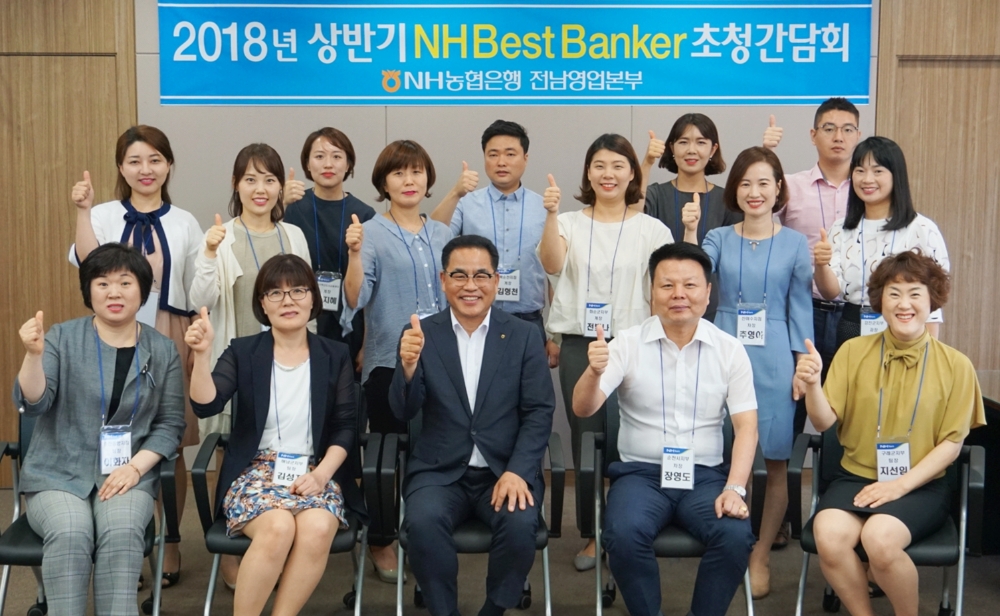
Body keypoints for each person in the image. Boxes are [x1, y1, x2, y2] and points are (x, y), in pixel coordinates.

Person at [794, 250, 985, 616]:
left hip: (920, 484)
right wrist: (814, 385)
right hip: (855, 476)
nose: (904, 304)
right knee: (828, 536)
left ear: (932, 300)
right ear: (880, 301)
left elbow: (952, 444)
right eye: (894, 294)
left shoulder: (956, 365)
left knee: (879, 540)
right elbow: (823, 422)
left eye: (915, 293)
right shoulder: (852, 352)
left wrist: (898, 486)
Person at [573, 241, 758, 616]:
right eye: (667, 285)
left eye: (690, 285)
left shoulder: (730, 349)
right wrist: (593, 372)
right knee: (623, 534)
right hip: (640, 476)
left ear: (708, 292)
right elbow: (583, 407)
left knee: (735, 535)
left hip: (705, 477)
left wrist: (735, 488)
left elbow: (747, 428)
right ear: (651, 291)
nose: (679, 295)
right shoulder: (626, 344)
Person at [186, 253, 364, 616]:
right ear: (262, 304)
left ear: (313, 299)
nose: (288, 301)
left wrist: (320, 476)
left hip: (315, 470)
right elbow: (206, 405)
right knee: (278, 527)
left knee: (318, 527)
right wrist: (202, 357)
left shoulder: (335, 354)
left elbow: (346, 428)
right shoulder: (243, 352)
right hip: (254, 471)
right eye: (276, 293)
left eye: (298, 290)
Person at [14, 243, 186, 615]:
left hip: (128, 473)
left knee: (122, 531)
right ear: (88, 290)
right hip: (57, 472)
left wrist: (135, 468)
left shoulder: (162, 349)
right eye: (102, 283)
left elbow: (170, 423)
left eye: (125, 282)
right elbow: (35, 403)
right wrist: (33, 356)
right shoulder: (61, 338)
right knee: (71, 530)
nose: (114, 293)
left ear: (142, 290)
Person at [389, 235, 555, 616]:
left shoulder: (524, 336)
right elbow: (402, 410)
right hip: (439, 472)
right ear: (442, 280)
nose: (470, 286)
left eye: (481, 275)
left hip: (503, 469)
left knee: (520, 524)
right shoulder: (421, 334)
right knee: (423, 523)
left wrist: (518, 470)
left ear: (496, 281)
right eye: (459, 275)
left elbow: (539, 411)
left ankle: (493, 609)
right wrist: (408, 369)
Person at [69, 125, 202, 587]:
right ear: (121, 168)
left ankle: (170, 542)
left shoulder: (184, 221)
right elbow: (89, 265)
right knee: (112, 435)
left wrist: (196, 343)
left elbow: (197, 285)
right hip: (110, 336)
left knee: (171, 441)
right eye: (135, 161)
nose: (146, 170)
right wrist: (83, 212)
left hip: (169, 332)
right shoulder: (103, 213)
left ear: (169, 165)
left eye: (155, 160)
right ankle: (121, 543)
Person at [537, 133, 674, 570]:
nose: (608, 174)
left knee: (634, 437)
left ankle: (632, 525)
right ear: (588, 173)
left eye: (618, 165)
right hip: (581, 345)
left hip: (637, 344)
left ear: (633, 173)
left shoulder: (653, 229)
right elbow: (552, 264)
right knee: (588, 439)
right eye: (599, 165)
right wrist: (551, 214)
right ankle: (594, 533)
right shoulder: (569, 222)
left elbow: (663, 290)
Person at [187, 142, 311, 588]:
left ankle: (275, 540)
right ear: (236, 185)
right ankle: (232, 547)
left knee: (281, 451)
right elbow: (200, 300)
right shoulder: (220, 235)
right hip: (234, 368)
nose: (261, 189)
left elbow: (305, 301)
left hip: (286, 367)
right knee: (230, 453)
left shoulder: (293, 235)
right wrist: (208, 253)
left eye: (270, 179)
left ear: (280, 187)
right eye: (251, 179)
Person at [702, 146, 813, 598]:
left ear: (779, 188)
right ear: (734, 189)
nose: (755, 191)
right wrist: (689, 230)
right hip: (722, 346)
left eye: (764, 182)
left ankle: (760, 553)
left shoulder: (796, 243)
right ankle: (733, 543)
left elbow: (800, 306)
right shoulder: (717, 237)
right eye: (746, 183)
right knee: (728, 452)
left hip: (775, 353)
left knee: (776, 457)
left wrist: (802, 364)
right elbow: (696, 274)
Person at [341, 139, 454, 581]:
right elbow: (355, 298)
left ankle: (428, 530)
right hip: (389, 364)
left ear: (428, 179)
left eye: (417, 172)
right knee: (386, 457)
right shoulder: (370, 233)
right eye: (399, 173)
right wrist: (354, 255)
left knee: (433, 452)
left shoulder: (442, 234)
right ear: (383, 183)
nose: (409, 180)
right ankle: (382, 538)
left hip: (441, 363)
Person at [761, 97, 863, 549]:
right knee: (791, 416)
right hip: (801, 315)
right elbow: (760, 225)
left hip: (855, 319)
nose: (838, 137)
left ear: (857, 135)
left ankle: (840, 514)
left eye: (847, 128)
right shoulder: (792, 186)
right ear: (813, 135)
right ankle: (784, 519)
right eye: (829, 128)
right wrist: (765, 153)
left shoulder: (868, 188)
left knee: (847, 420)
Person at [429, 120, 559, 364]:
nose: (501, 162)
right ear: (484, 158)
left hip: (527, 320)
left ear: (525, 158)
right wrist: (455, 193)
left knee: (528, 386)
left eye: (510, 154)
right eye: (493, 154)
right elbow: (432, 238)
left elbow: (554, 274)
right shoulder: (467, 203)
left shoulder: (544, 207)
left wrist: (555, 334)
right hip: (474, 317)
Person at [813, 136, 950, 347]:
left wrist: (929, 353)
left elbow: (933, 301)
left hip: (904, 328)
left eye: (877, 171)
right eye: (860, 171)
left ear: (896, 175)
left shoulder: (922, 229)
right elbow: (831, 292)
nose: (867, 179)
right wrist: (821, 265)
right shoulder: (841, 229)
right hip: (851, 327)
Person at [283, 127, 377, 374]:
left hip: (349, 327)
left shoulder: (364, 214)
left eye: (337, 156)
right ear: (307, 164)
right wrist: (278, 204)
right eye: (319, 156)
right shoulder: (292, 208)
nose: (328, 164)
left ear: (348, 164)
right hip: (300, 323)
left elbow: (372, 289)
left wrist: (367, 344)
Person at [636, 113, 742, 322]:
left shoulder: (728, 200)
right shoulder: (656, 194)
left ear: (713, 149)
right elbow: (632, 215)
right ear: (671, 148)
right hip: (661, 306)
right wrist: (647, 163)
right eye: (683, 142)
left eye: (700, 142)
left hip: (713, 308)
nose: (691, 150)